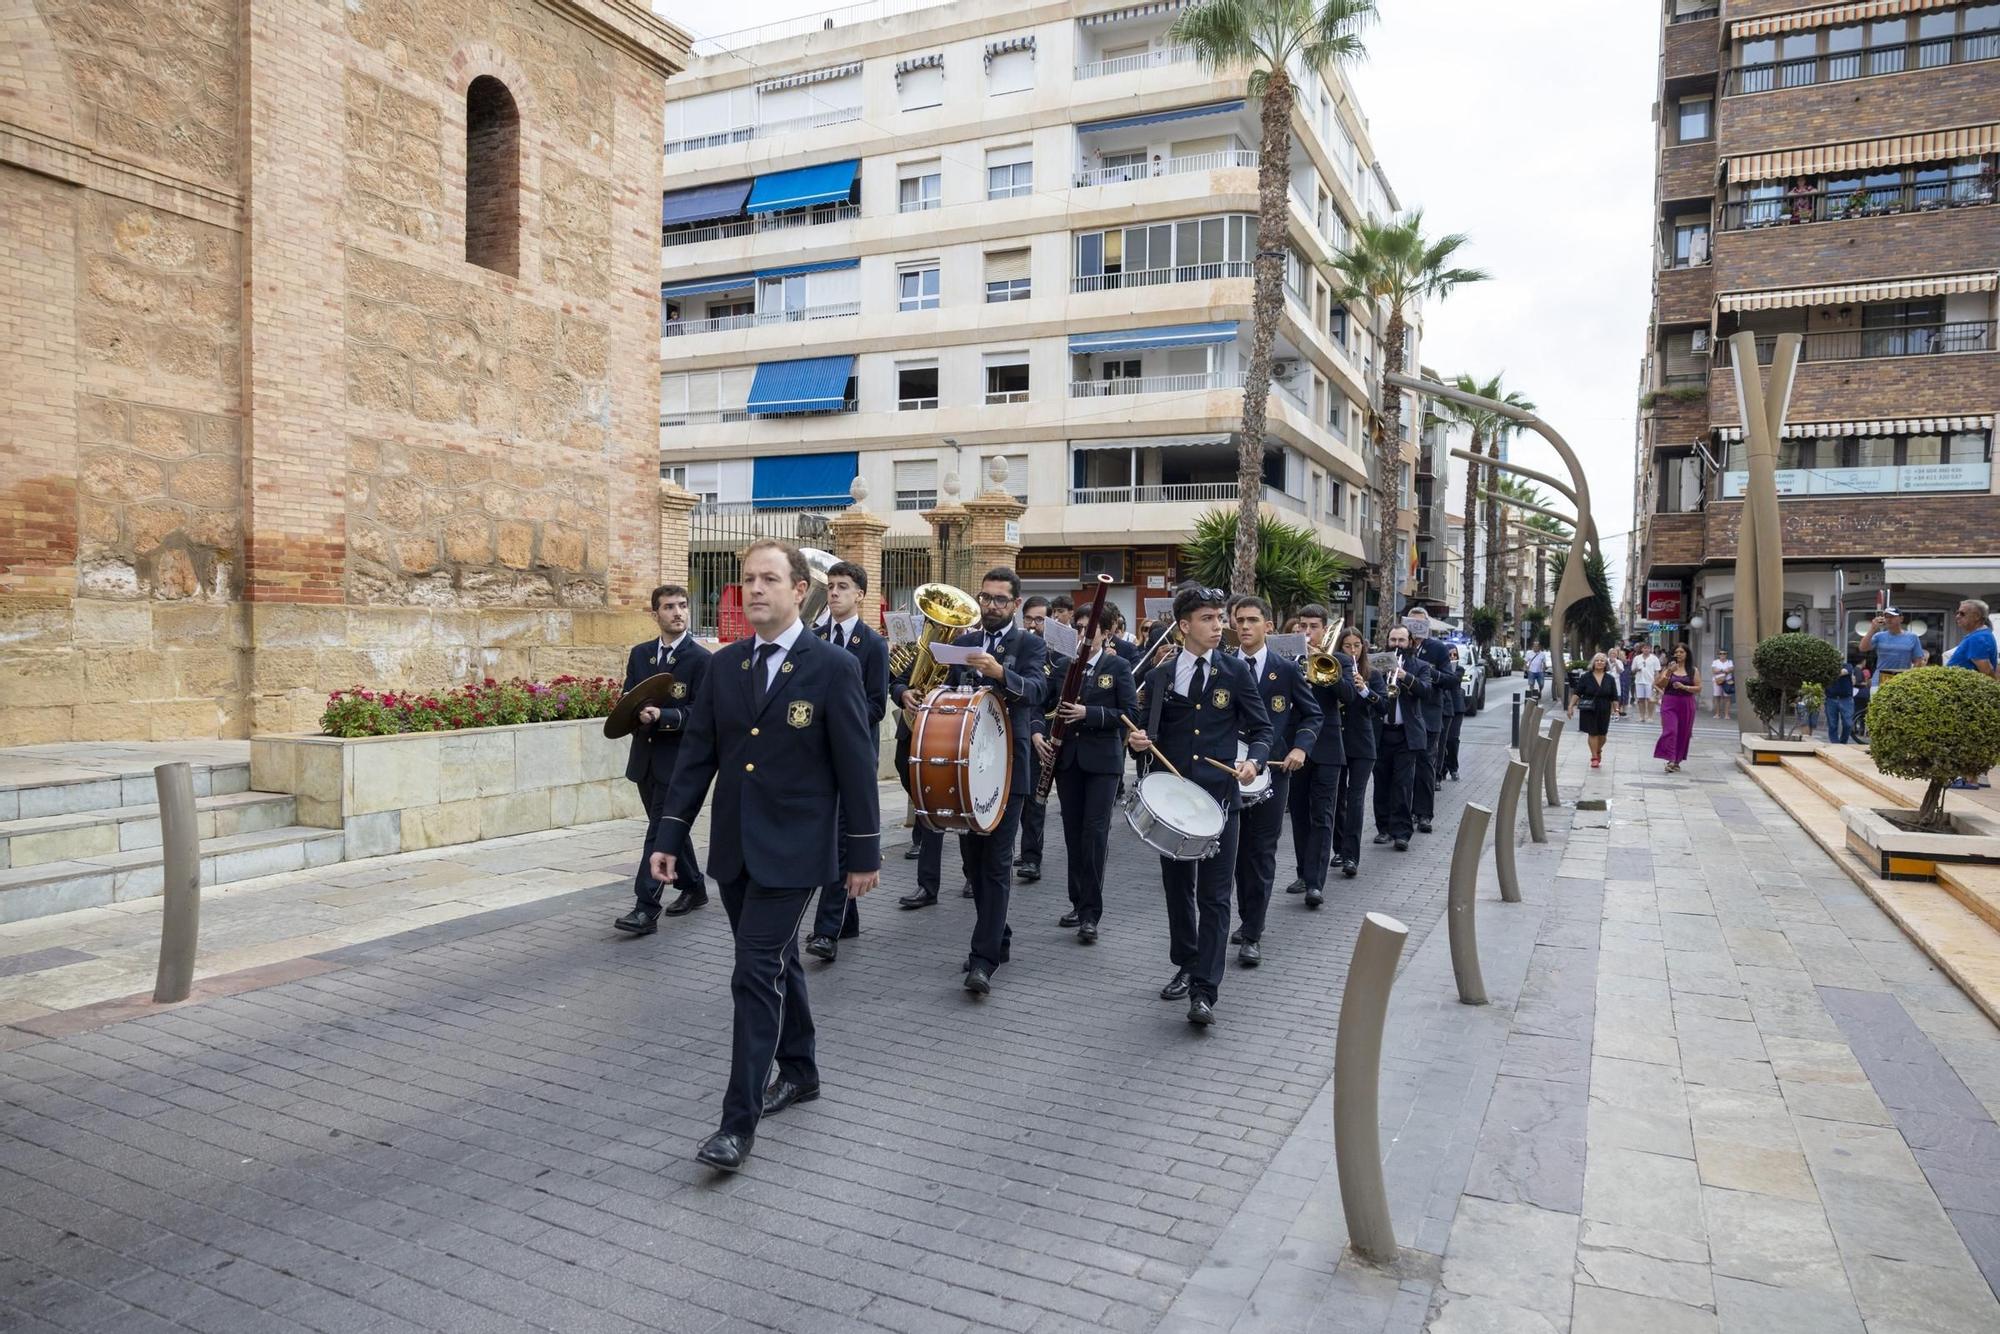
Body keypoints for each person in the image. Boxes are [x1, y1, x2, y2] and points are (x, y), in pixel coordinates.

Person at [649, 540, 881, 1173]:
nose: (754, 589)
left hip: (797, 850)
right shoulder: (726, 666)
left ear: (800, 590)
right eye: (748, 578)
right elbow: (697, 756)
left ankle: (736, 1125)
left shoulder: (833, 667)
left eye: (769, 579)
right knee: (777, 961)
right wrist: (669, 837)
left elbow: (856, 767)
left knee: (753, 974)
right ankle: (800, 1070)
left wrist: (863, 852)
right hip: (735, 848)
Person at [895, 568, 1045, 995]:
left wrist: (999, 672)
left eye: (1000, 599)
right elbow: (936, 689)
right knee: (973, 865)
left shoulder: (1030, 644)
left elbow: (1038, 691)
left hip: (1007, 769)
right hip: (964, 772)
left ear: (1016, 604)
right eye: (986, 597)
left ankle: (983, 959)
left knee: (995, 865)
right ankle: (1000, 935)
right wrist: (911, 694)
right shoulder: (962, 642)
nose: (991, 606)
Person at [1127, 586, 1271, 1025]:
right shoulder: (1160, 676)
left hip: (1220, 803)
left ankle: (1205, 990)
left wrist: (1254, 762)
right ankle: (1186, 963)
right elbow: (1145, 737)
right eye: (1208, 619)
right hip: (1173, 804)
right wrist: (1136, 743)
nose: (1219, 626)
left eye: (1219, 618)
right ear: (1184, 626)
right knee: (1177, 891)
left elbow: (1262, 729)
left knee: (1215, 896)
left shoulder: (1235, 671)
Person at [1032, 604, 1135, 943]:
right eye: (1078, 628)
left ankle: (1091, 913)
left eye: (1089, 629)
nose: (1082, 634)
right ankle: (1077, 902)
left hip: (1103, 763)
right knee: (1073, 834)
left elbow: (1129, 714)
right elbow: (1041, 705)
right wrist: (1036, 733)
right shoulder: (1063, 666)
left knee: (1094, 835)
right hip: (1068, 762)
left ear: (1106, 632)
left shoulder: (1118, 667)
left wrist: (1087, 712)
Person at [802, 561, 889, 963]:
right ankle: (846, 920)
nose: (834, 593)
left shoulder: (873, 644)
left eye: (842, 587)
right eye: (831, 586)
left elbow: (876, 705)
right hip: (816, 756)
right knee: (825, 837)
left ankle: (826, 931)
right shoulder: (814, 637)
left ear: (860, 595)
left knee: (839, 841)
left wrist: (835, 719)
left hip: (852, 755)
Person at [1226, 595, 1321, 964]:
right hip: (1230, 771)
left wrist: (1300, 748)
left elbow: (1312, 715)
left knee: (1262, 851)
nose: (1245, 626)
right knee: (1236, 851)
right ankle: (1246, 917)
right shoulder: (1223, 666)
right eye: (1239, 620)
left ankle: (1253, 932)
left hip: (1273, 771)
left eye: (1252, 620)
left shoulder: (1286, 669)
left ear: (1268, 626)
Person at [616, 584, 711, 934]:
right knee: (671, 829)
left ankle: (646, 908)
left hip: (679, 764)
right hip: (645, 760)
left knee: (657, 833)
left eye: (683, 605)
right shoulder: (641, 654)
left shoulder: (701, 659)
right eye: (669, 607)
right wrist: (637, 711)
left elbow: (703, 713)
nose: (678, 612)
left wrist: (665, 716)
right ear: (655, 614)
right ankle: (694, 886)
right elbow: (628, 696)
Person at [1284, 603, 1350, 906]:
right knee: (1299, 814)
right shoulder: (1289, 660)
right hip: (1294, 745)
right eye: (1303, 626)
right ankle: (1302, 872)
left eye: (1313, 626)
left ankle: (1315, 883)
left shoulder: (1340, 659)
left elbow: (1349, 697)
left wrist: (1322, 665)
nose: (1307, 631)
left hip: (1327, 748)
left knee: (1322, 815)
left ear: (1325, 629)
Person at [1371, 625, 1435, 852]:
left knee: (1403, 785)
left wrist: (1405, 676)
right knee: (1381, 783)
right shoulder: (1376, 664)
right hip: (1380, 732)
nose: (1397, 644)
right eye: (1393, 640)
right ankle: (1383, 828)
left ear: (1410, 642)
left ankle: (1401, 832)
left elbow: (1426, 691)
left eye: (1401, 640)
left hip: (1406, 735)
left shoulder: (1420, 666)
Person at [1331, 626, 1385, 881]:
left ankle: (1351, 856)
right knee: (1337, 797)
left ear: (1363, 647)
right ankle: (1339, 849)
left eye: (1356, 646)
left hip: (1362, 744)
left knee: (1355, 799)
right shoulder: (1332, 671)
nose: (1352, 650)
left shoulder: (1372, 674)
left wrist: (1364, 690)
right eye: (1347, 646)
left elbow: (1383, 706)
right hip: (1337, 742)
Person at [1015, 596, 1060, 884]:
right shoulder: (1019, 650)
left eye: (1040, 619)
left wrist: (1039, 730)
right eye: (1029, 619)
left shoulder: (1058, 658)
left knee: (1035, 799)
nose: (1033, 625)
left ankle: (1032, 858)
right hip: (1020, 729)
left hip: (1047, 733)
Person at [1406, 609, 1451, 835]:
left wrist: (1426, 673)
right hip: (1405, 716)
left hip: (1429, 713)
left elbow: (1450, 679)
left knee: (1425, 766)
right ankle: (1404, 813)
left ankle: (1424, 814)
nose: (1415, 628)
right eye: (1411, 623)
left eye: (1420, 624)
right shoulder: (1400, 646)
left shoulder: (1438, 648)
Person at [1567, 652, 1623, 768]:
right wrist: (1570, 706)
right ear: (1593, 663)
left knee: (1602, 735)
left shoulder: (1610, 679)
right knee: (1592, 732)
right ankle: (1594, 757)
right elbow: (1577, 693)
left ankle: (1598, 750)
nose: (1599, 662)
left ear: (1605, 664)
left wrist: (1617, 710)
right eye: (1597, 660)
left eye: (1602, 661)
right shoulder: (1585, 677)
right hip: (1589, 708)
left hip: (1604, 708)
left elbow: (1614, 697)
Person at [1652, 642, 1701, 773]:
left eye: (1681, 652)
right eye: (1676, 652)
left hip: (1686, 703)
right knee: (1671, 730)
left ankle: (1676, 761)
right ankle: (1671, 759)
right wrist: (1669, 672)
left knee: (1684, 733)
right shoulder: (1668, 668)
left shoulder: (1693, 670)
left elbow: (1698, 688)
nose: (1678, 654)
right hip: (1669, 702)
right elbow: (1660, 684)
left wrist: (1685, 687)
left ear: (1687, 654)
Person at [1862, 607, 1927, 681]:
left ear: (1901, 619)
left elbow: (1918, 660)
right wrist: (1872, 629)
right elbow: (1863, 648)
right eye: (1886, 617)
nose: (1889, 619)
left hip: (1901, 678)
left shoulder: (1912, 637)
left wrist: (1910, 677)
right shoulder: (1879, 636)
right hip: (1881, 677)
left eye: (1892, 616)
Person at [1947, 599, 1996, 677]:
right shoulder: (1981, 635)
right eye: (1957, 613)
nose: (1957, 616)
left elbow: (1987, 671)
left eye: (1962, 613)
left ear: (1977, 616)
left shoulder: (1977, 638)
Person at [1442, 646, 1468, 778]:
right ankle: (1442, 769)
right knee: (1442, 740)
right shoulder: (1441, 669)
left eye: (1454, 655)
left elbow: (1454, 680)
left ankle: (1453, 768)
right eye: (1450, 655)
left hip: (1457, 707)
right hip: (1444, 707)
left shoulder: (1459, 669)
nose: (1452, 657)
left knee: (1452, 739)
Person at [1825, 651, 1859, 744]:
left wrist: (1829, 672)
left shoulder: (1848, 666)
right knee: (1832, 724)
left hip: (1846, 699)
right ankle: (1835, 744)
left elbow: (1843, 672)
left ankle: (1843, 742)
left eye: (1839, 658)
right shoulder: (1827, 668)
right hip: (1831, 698)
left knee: (1848, 724)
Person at [1632, 645, 1661, 724]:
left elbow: (1657, 671)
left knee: (1650, 700)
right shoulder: (1637, 658)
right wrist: (1637, 669)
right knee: (1640, 699)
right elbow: (1632, 670)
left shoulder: (1654, 658)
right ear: (1642, 649)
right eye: (1644, 648)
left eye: (1648, 648)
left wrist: (1656, 682)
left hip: (1650, 681)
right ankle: (1642, 716)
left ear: (1650, 649)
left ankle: (1650, 717)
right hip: (1639, 681)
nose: (1646, 650)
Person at [1710, 649, 1734, 720]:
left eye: (1724, 653)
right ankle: (1717, 714)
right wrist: (1724, 670)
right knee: (1717, 697)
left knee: (1727, 698)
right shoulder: (1715, 662)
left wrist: (1719, 670)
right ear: (1718, 655)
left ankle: (1726, 715)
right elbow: (1714, 670)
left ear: (1726, 655)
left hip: (1727, 681)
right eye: (1721, 653)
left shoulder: (1730, 662)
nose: (1722, 655)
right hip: (1717, 681)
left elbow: (1731, 669)